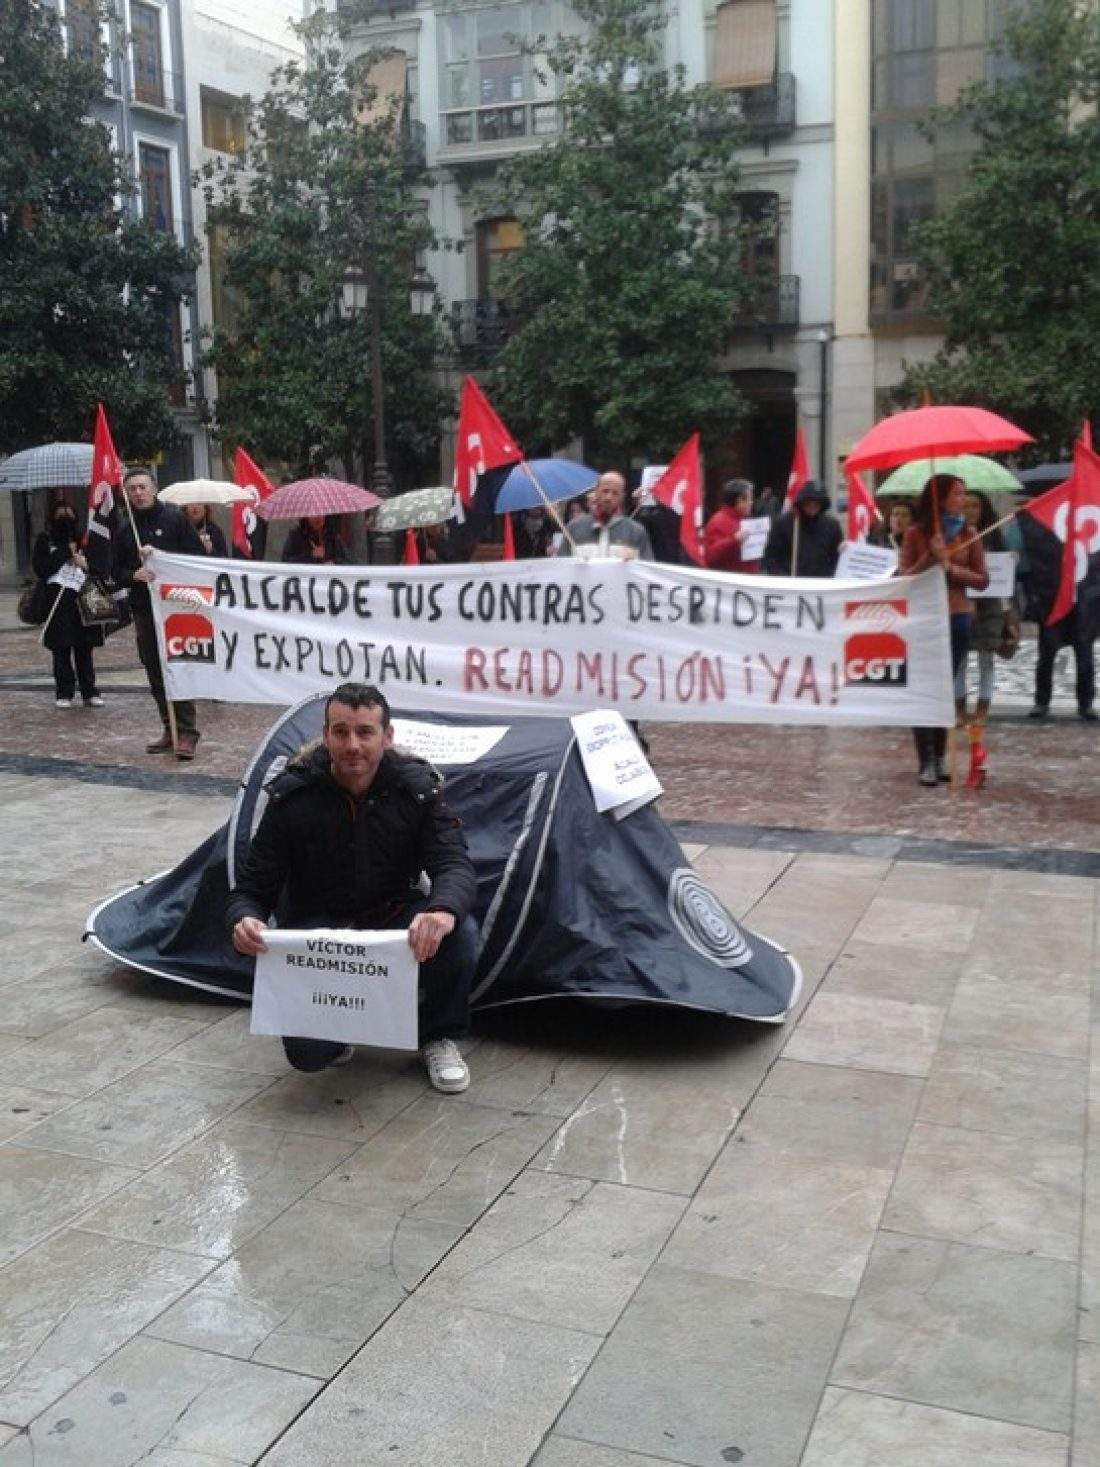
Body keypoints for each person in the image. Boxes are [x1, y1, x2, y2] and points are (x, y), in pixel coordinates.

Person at [227, 683, 478, 1091]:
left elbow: (454, 863)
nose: (353, 745)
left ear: (387, 737)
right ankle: (340, 1028)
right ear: (325, 736)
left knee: (459, 931)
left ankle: (438, 1035)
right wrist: (244, 920)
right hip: (318, 929)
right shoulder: (292, 796)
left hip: (393, 918)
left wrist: (442, 910)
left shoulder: (416, 790)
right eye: (341, 732)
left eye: (365, 732)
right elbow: (252, 889)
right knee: (308, 1058)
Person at [899, 474, 989, 786]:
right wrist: (930, 557)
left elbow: (982, 579)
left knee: (944, 686)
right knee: (924, 686)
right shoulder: (915, 533)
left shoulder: (970, 533)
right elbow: (903, 576)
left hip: (957, 616)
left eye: (964, 494)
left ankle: (940, 756)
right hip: (924, 617)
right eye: (956, 494)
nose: (962, 500)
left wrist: (951, 567)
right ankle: (925, 761)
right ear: (939, 498)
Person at [112, 466, 205, 759]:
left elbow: (196, 560)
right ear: (126, 493)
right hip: (144, 609)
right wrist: (134, 574)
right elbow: (114, 572)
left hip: (175, 608)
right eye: (132, 489)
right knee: (154, 669)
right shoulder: (126, 529)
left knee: (177, 666)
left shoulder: (175, 519)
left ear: (153, 488)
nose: (138, 494)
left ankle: (187, 732)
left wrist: (163, 559)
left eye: (142, 487)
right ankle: (169, 727)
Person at [32, 501, 105, 709]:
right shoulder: (45, 540)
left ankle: (89, 691)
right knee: (61, 650)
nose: (65, 518)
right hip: (57, 603)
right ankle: (64, 691)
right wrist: (64, 552)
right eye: (60, 514)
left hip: (83, 600)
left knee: (84, 649)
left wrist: (85, 563)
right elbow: (42, 569)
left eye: (69, 514)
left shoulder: (85, 539)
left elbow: (100, 567)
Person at [956, 490, 1013, 725]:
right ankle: (959, 709)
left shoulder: (993, 536)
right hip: (960, 603)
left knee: (986, 658)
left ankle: (982, 709)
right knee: (959, 659)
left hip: (989, 605)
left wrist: (1008, 613)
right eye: (965, 506)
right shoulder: (953, 536)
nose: (970, 511)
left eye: (975, 506)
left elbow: (1004, 576)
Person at [761, 481, 842, 577]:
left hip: (822, 586)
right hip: (791, 585)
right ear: (802, 501)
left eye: (817, 501)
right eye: (809, 501)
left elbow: (837, 559)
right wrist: (783, 579)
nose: (812, 505)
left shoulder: (832, 526)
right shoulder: (783, 524)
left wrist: (844, 551)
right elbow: (771, 557)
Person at [566, 472, 653, 560]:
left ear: (622, 497)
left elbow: (647, 570)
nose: (608, 497)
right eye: (605, 491)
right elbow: (561, 569)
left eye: (615, 493)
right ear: (596, 492)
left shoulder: (636, 532)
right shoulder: (574, 528)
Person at [703, 479, 759, 573]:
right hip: (730, 582)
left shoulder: (744, 519)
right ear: (740, 500)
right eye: (750, 499)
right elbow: (710, 556)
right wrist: (734, 540)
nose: (751, 503)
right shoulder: (718, 522)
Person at [281, 515, 348, 565]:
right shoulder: (295, 536)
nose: (318, 517)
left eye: (322, 513)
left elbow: (346, 560)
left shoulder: (333, 536)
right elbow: (285, 561)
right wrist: (310, 556)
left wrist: (333, 562)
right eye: (313, 515)